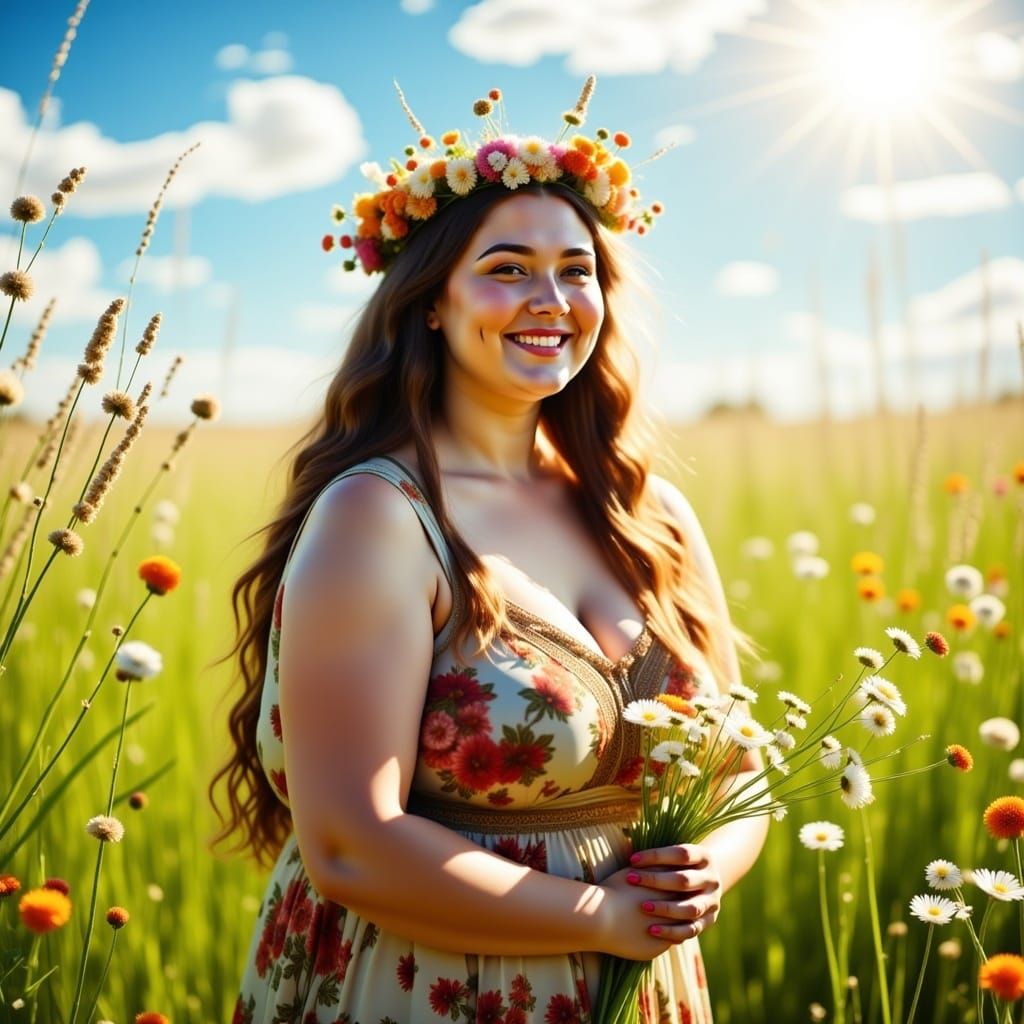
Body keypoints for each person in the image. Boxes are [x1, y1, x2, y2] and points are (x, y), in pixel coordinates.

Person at [213, 84, 768, 1024]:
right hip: (431, 981)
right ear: (431, 301)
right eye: (508, 269)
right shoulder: (378, 515)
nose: (551, 300)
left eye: (576, 270)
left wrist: (705, 869)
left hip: (642, 980)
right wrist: (602, 918)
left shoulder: (652, 516)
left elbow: (739, 771)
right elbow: (351, 845)